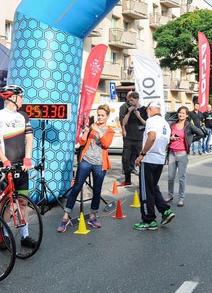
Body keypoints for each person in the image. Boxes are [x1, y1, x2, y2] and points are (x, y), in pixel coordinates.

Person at [0, 84, 37, 250]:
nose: (23, 99)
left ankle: (25, 236)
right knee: (6, 205)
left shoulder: (23, 115)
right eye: (21, 96)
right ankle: (4, 236)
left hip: (21, 165)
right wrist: (3, 159)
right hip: (5, 165)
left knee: (23, 201)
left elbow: (29, 138)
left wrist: (28, 158)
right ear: (12, 97)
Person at [58, 104, 114, 232]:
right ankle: (65, 217)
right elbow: (82, 142)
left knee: (97, 190)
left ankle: (93, 217)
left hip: (100, 164)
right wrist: (87, 130)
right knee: (76, 187)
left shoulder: (109, 130)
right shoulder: (92, 128)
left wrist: (99, 131)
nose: (100, 117)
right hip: (86, 161)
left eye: (102, 115)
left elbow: (106, 144)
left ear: (107, 117)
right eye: (98, 115)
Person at [133, 101, 175, 230]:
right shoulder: (166, 124)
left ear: (151, 109)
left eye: (147, 110)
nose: (146, 112)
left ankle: (148, 220)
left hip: (149, 159)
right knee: (153, 187)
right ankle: (165, 210)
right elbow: (167, 142)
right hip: (160, 159)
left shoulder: (151, 121)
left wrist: (142, 154)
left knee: (145, 191)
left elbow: (151, 137)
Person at [167, 106, 205, 207]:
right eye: (180, 112)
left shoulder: (189, 125)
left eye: (183, 113)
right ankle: (170, 195)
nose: (181, 115)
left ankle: (181, 198)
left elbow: (201, 133)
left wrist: (189, 141)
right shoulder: (173, 125)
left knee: (181, 178)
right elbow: (167, 136)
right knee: (170, 177)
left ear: (187, 115)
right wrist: (170, 138)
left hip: (182, 154)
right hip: (172, 153)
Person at [118, 92, 146, 188]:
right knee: (125, 159)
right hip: (128, 138)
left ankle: (142, 181)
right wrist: (129, 112)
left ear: (137, 99)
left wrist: (138, 116)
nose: (130, 102)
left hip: (139, 138)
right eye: (129, 100)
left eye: (132, 100)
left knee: (141, 160)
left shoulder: (143, 109)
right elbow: (123, 123)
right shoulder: (126, 108)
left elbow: (146, 123)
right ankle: (127, 180)